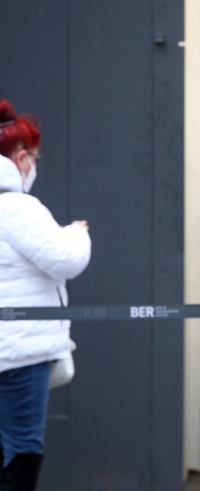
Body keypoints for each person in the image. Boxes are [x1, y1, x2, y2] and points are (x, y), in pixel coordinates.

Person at [0, 99, 91, 490]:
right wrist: (76, 232)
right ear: (22, 158)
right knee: (22, 449)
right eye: (36, 158)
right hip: (18, 352)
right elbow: (66, 259)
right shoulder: (18, 208)